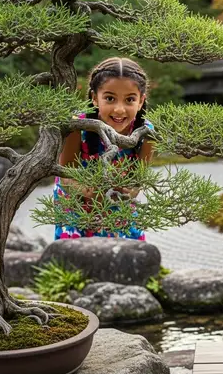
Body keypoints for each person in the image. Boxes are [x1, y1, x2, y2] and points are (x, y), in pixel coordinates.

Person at [53, 57, 154, 240]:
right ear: (94, 98)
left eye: (130, 99)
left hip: (118, 203)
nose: (119, 109)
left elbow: (139, 181)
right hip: (76, 204)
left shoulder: (146, 133)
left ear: (141, 101)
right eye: (109, 98)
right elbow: (65, 177)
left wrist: (129, 191)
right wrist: (90, 192)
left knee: (129, 253)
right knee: (77, 256)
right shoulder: (77, 126)